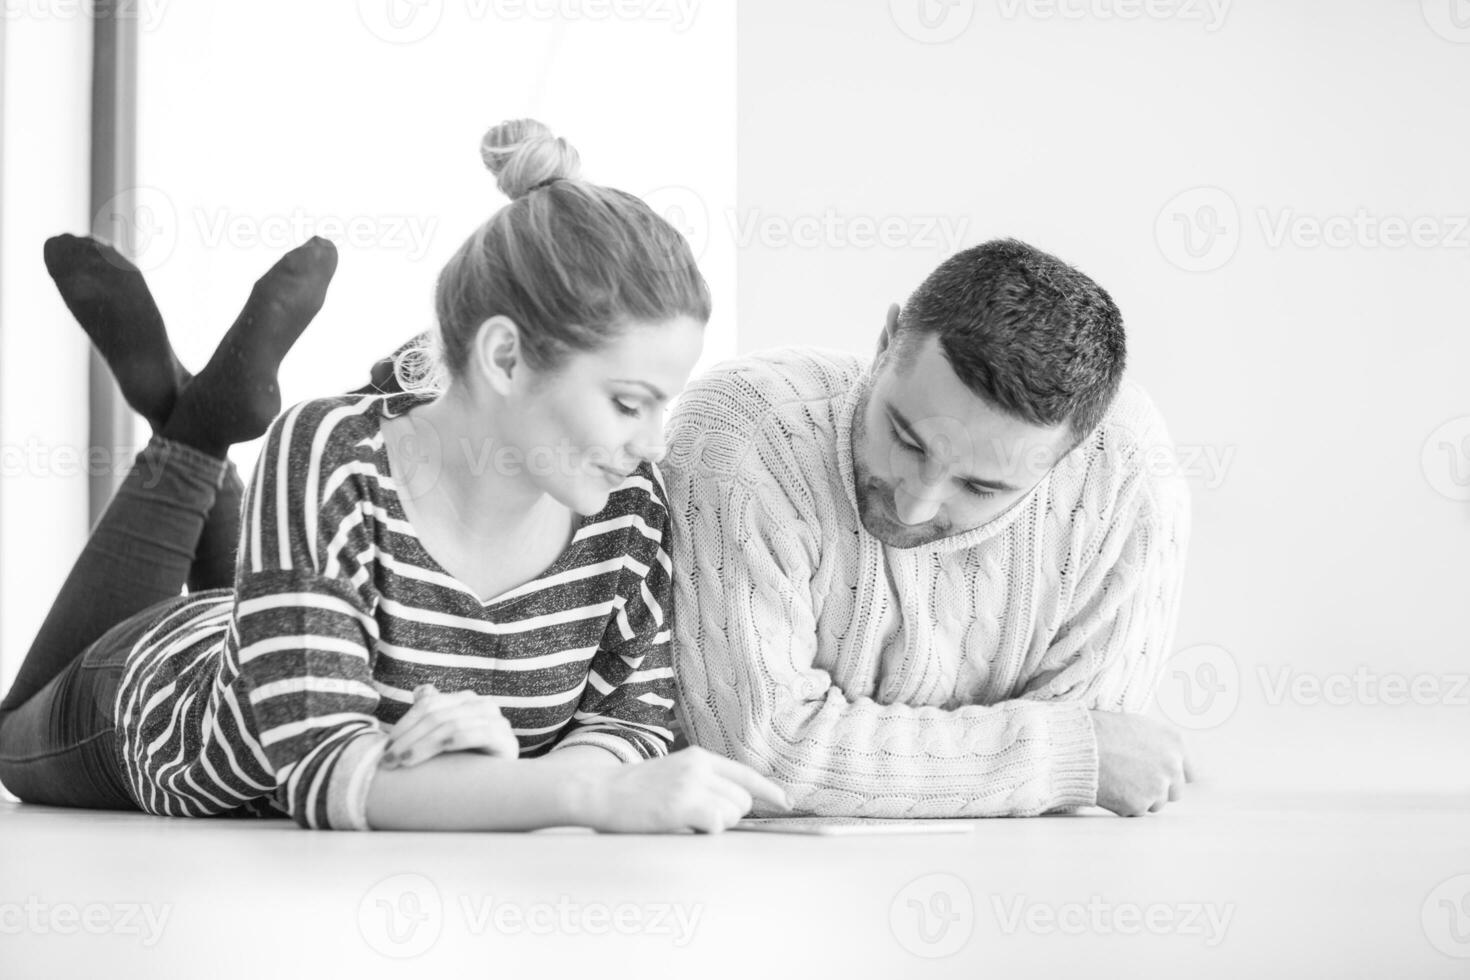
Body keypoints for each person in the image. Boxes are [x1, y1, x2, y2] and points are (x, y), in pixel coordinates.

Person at [0, 119, 787, 832]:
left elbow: (627, 724)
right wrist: (582, 794)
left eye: (664, 406)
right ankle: (196, 440)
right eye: (627, 404)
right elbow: (320, 769)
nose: (655, 444)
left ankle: (197, 414)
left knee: (278, 596)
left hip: (294, 618)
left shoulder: (631, 510)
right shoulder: (328, 449)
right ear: (505, 357)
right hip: (159, 695)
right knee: (8, 739)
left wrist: (492, 774)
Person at [662, 238, 1194, 818]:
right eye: (905, 440)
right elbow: (758, 753)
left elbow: (1085, 772)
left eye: (979, 487)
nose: (914, 505)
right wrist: (1059, 757)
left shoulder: (1125, 474)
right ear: (886, 344)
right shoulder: (749, 431)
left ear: (1072, 455)